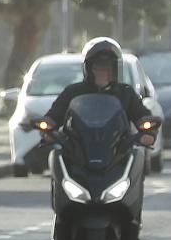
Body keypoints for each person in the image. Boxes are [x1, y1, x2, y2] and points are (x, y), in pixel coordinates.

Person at [28, 37, 154, 173]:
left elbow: (142, 115)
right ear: (88, 68)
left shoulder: (126, 92)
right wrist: (48, 125)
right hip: (78, 152)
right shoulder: (73, 91)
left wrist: (149, 131)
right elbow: (54, 114)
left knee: (137, 156)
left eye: (107, 67)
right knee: (56, 156)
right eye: (97, 67)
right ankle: (60, 191)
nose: (102, 71)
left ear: (115, 69)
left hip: (117, 152)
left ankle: (132, 193)